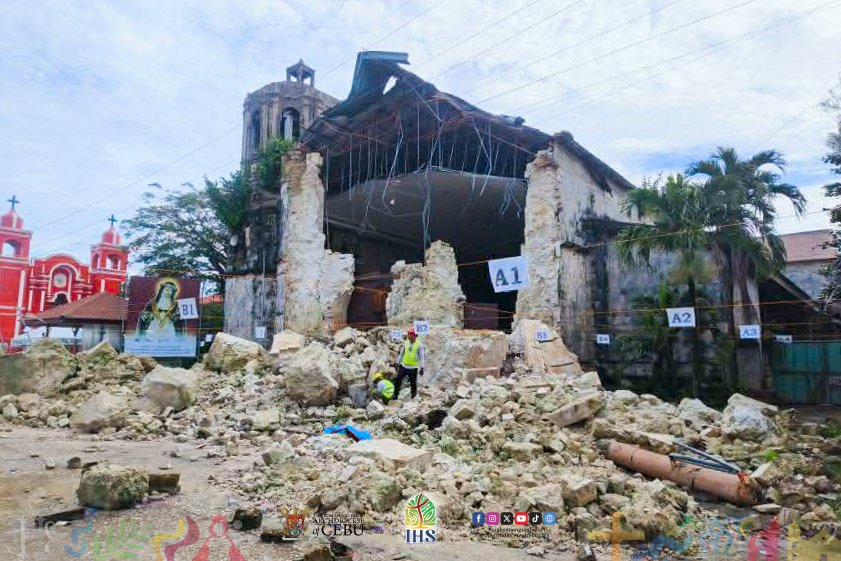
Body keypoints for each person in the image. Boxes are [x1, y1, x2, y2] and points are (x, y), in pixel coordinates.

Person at [393, 327, 425, 400]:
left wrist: (422, 367)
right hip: (404, 366)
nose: (410, 338)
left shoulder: (419, 345)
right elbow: (401, 354)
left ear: (415, 336)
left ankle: (413, 397)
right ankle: (395, 396)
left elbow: (422, 357)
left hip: (413, 368)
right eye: (409, 336)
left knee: (413, 383)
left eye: (411, 336)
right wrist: (397, 362)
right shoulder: (406, 342)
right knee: (398, 380)